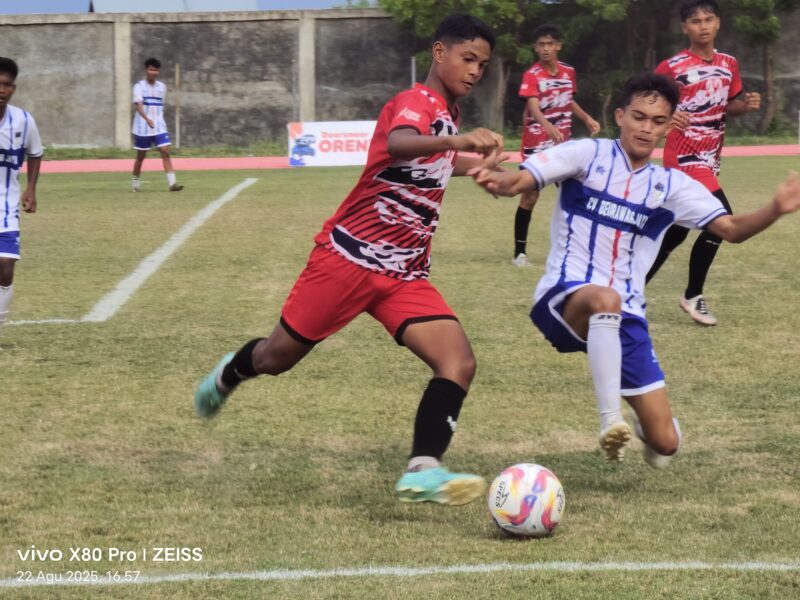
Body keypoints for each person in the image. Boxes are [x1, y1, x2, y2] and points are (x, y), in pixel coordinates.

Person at [194, 15, 504, 506]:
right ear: (439, 52)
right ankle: (229, 374)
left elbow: (439, 161)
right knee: (276, 358)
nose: (474, 71)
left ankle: (423, 469)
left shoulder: (449, 114)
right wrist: (456, 142)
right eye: (468, 59)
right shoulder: (413, 103)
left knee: (457, 361)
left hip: (403, 274)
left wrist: (483, 167)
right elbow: (401, 144)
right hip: (347, 261)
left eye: (482, 66)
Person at [470, 71, 800, 467]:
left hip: (627, 317)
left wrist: (775, 209)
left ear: (669, 126)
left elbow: (729, 230)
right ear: (621, 115)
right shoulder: (586, 155)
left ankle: (647, 430)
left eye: (658, 121)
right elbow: (520, 180)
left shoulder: (672, 185)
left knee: (667, 445)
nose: (647, 128)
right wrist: (496, 181)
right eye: (639, 117)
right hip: (564, 299)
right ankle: (611, 423)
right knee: (605, 297)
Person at [645, 0, 760, 325]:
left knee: (675, 233)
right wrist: (667, 115)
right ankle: (693, 295)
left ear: (718, 23)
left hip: (710, 159)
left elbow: (728, 106)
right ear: (685, 28)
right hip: (683, 157)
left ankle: (631, 290)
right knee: (723, 221)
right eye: (695, 21)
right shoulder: (673, 66)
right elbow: (645, 99)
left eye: (708, 19)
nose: (703, 25)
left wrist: (745, 106)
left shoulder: (729, 63)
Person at [513, 24, 600, 268]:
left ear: (558, 46)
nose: (545, 49)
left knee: (575, 193)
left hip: (562, 144)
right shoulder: (532, 75)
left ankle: (576, 251)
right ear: (535, 48)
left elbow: (568, 100)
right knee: (530, 196)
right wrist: (547, 125)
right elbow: (533, 106)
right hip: (535, 144)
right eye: (541, 44)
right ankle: (519, 253)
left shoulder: (568, 72)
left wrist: (587, 118)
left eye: (550, 44)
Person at [0, 57, 43, 336]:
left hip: (6, 205)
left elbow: (35, 153)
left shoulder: (24, 120)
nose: (1, 89)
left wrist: (31, 188)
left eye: (6, 85)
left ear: (13, 88)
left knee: (5, 264)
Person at [131, 58, 183, 193]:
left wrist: (156, 119)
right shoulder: (139, 86)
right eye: (150, 69)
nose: (153, 72)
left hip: (159, 126)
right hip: (142, 127)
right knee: (141, 156)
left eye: (155, 70)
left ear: (158, 71)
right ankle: (135, 183)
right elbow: (139, 105)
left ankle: (172, 184)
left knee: (165, 151)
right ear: (146, 70)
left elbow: (160, 106)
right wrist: (147, 119)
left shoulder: (162, 87)